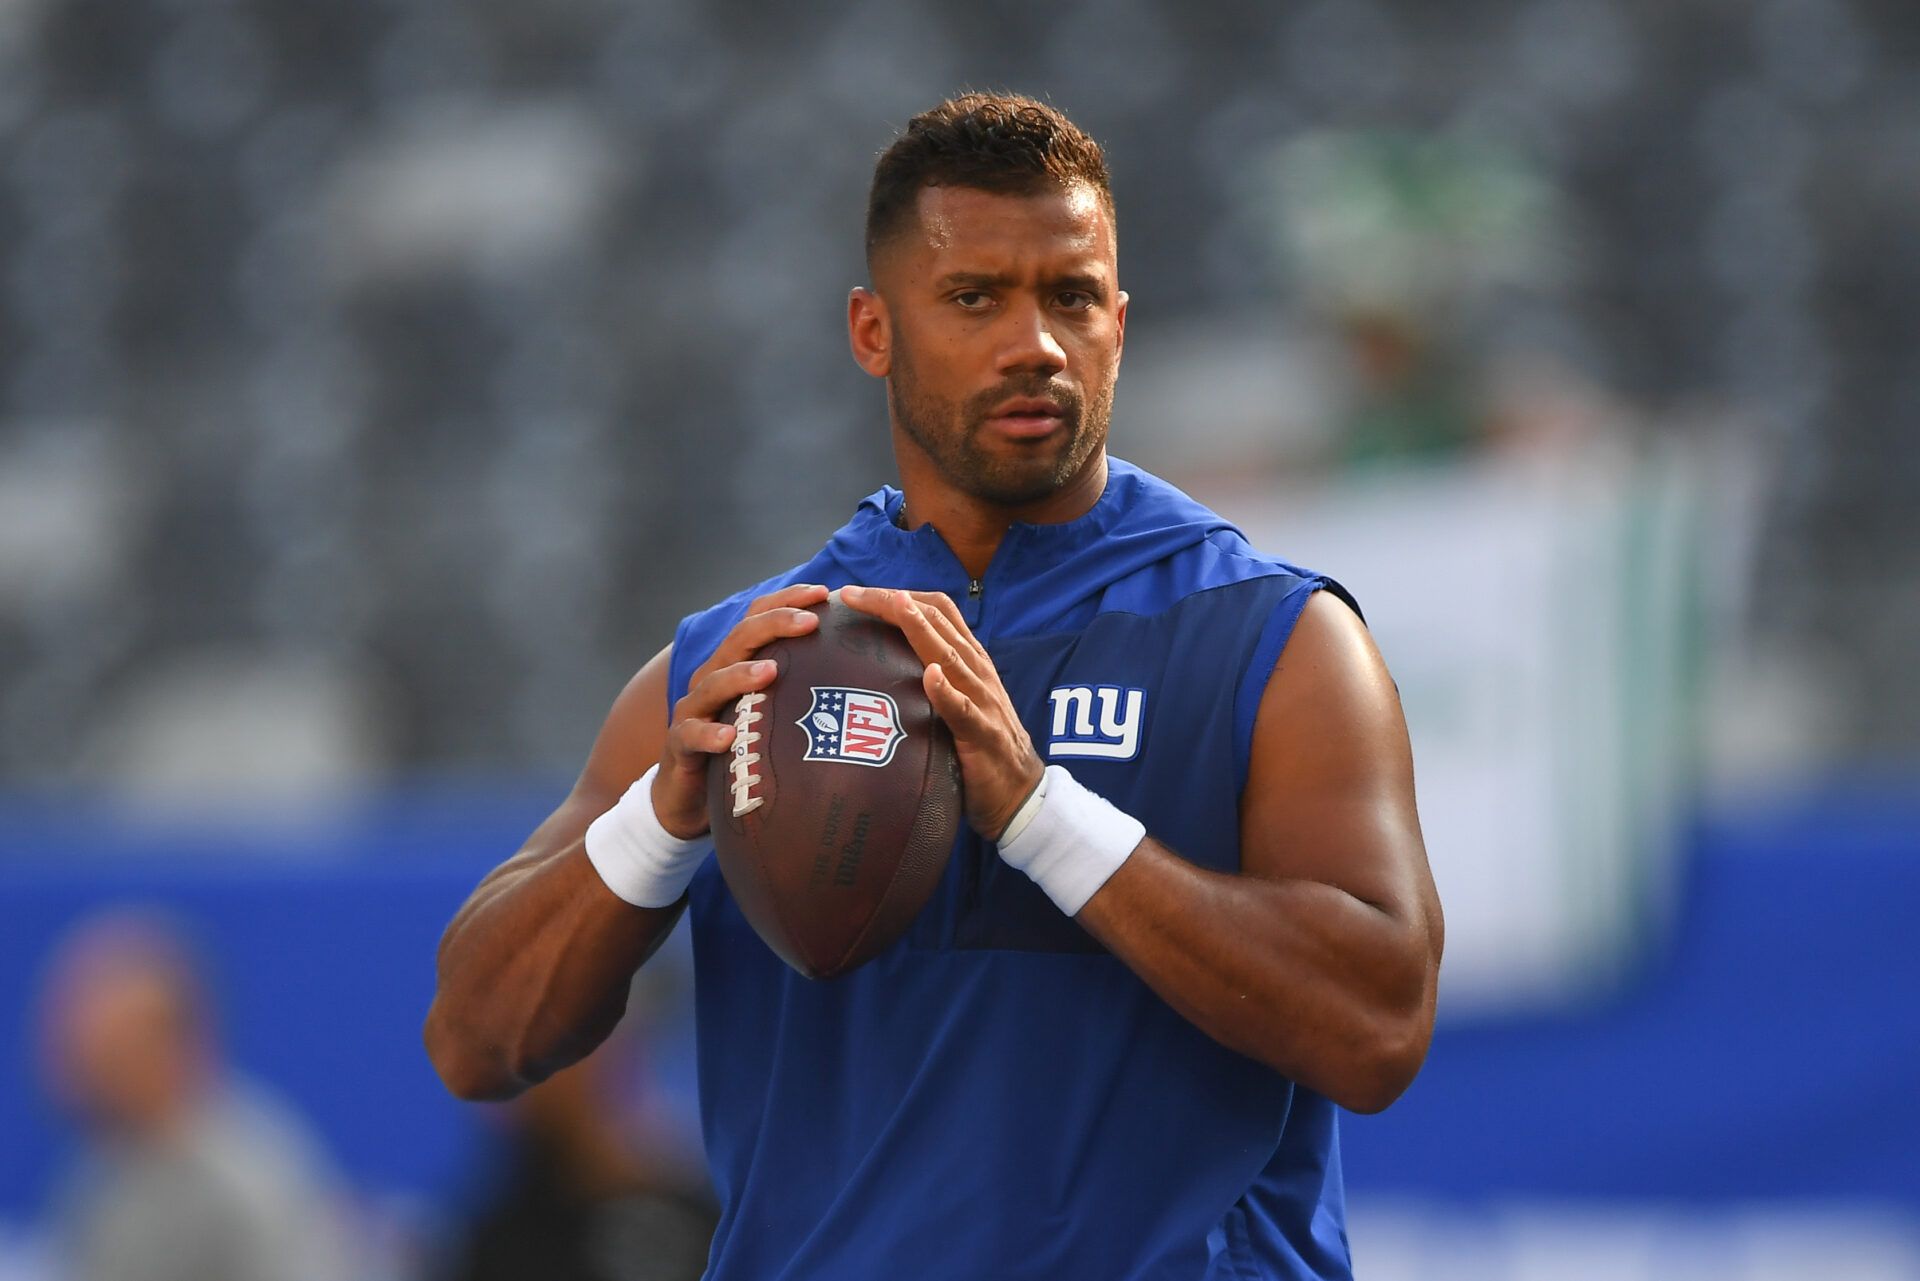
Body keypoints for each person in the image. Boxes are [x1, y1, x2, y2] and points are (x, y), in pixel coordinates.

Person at [425, 92, 1443, 1280]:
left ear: (1119, 322)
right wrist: (660, 821)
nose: (1036, 343)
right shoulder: (743, 665)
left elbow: (1378, 1030)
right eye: (975, 298)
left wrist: (1038, 815)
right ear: (873, 331)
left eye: (1070, 298)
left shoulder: (1273, 637)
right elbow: (475, 1040)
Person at [37, 910, 353, 1281]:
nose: (85, 1070)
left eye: (112, 1052)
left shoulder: (249, 1178)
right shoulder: (100, 1169)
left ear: (174, 1045)